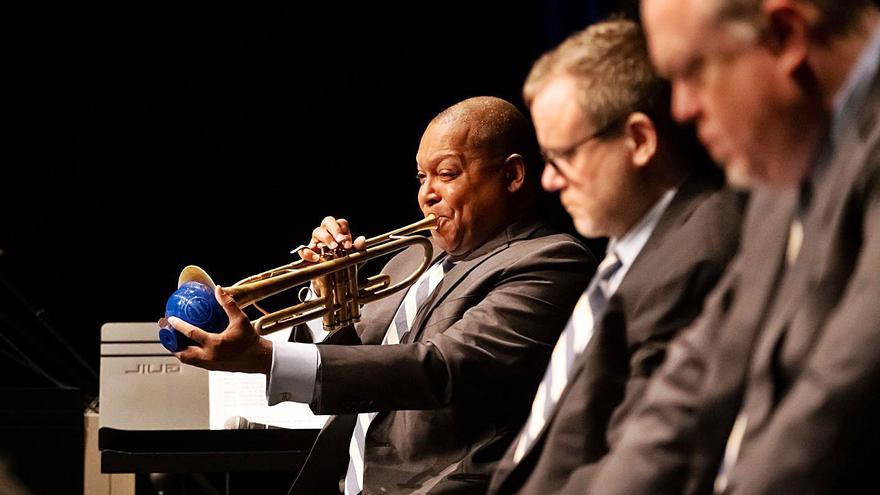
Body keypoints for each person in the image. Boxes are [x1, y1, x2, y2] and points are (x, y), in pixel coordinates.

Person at [164, 96, 595, 494]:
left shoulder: (551, 261)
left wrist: (266, 359)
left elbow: (441, 367)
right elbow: (356, 364)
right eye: (422, 176)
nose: (427, 193)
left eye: (446, 174)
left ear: (512, 175)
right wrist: (327, 293)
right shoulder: (413, 259)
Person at [586, 1, 880, 494]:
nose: (681, 107)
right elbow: (696, 375)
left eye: (692, 71)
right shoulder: (786, 162)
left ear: (785, 36)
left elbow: (839, 401)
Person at [485, 20, 744, 495]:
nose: (549, 181)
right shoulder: (637, 249)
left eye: (562, 156)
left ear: (639, 140)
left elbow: (644, 462)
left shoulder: (697, 255)